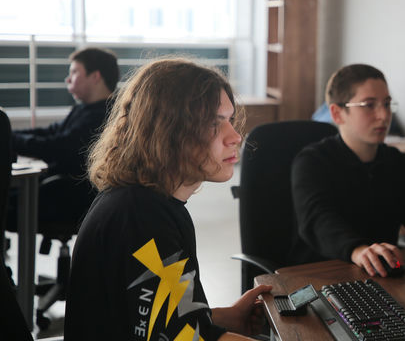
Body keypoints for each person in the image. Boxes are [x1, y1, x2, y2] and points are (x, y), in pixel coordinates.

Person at [64, 58, 272, 341]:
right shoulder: (142, 218)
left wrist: (225, 318)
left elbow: (168, 322)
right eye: (214, 123)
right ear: (168, 131)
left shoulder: (147, 204)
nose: (235, 136)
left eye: (230, 120)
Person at [291, 63, 405, 277]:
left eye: (387, 104)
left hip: (381, 275)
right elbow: (318, 220)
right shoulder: (312, 162)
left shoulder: (396, 162)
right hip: (322, 276)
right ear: (338, 114)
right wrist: (357, 250)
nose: (384, 115)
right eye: (369, 105)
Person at [9, 47, 120, 225]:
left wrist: (8, 138)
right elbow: (49, 132)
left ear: (95, 77)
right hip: (56, 188)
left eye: (74, 72)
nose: (68, 79)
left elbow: (55, 147)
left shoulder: (103, 115)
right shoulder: (83, 110)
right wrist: (8, 133)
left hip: (69, 196)